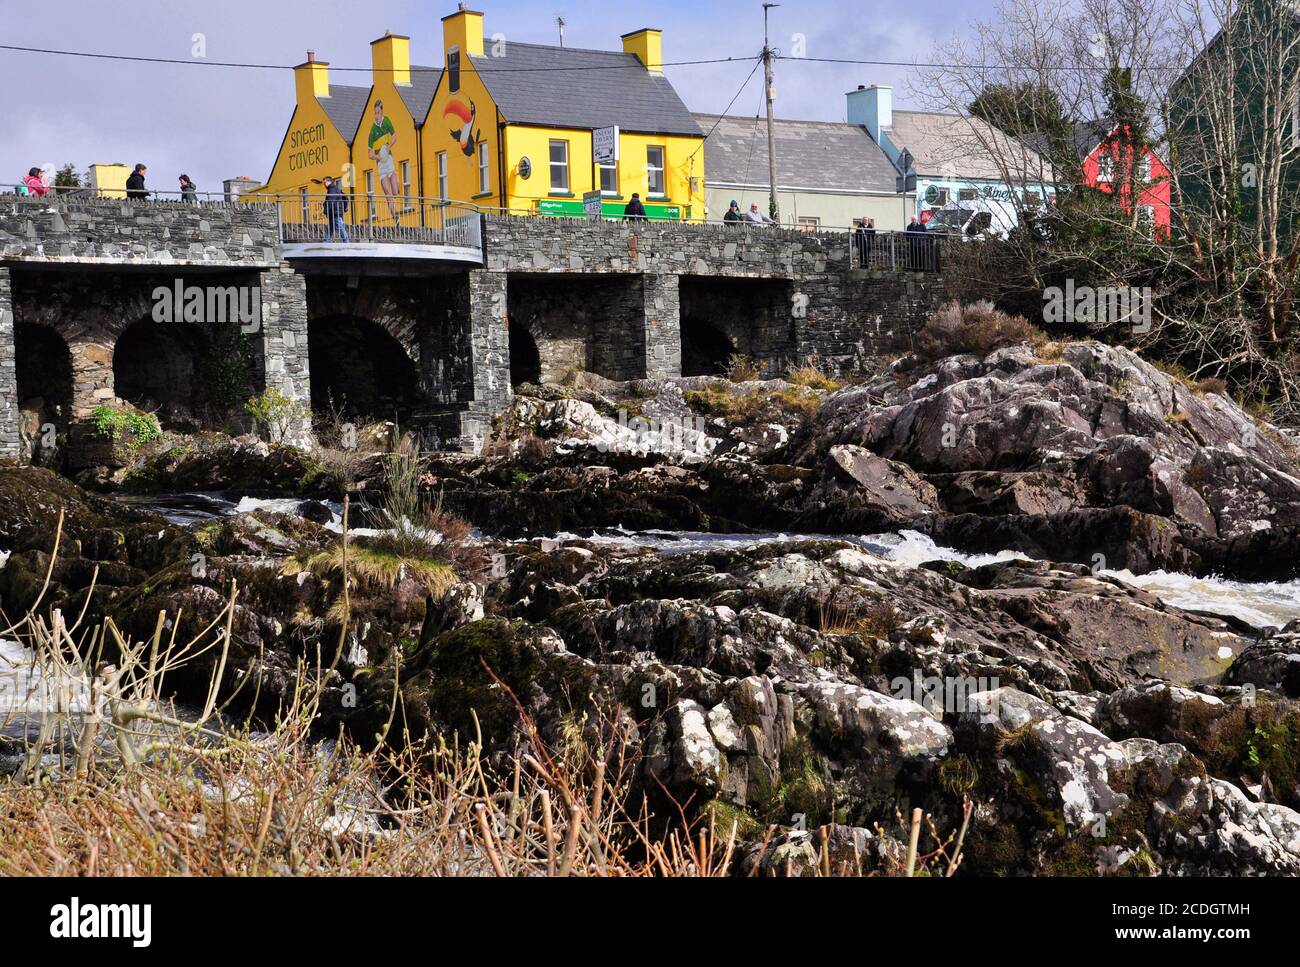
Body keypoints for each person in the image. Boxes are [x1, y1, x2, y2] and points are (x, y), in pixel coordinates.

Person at [367, 100, 399, 221]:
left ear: (382, 112)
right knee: (388, 193)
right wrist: (377, 157)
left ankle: (397, 186)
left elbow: (395, 135)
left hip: (389, 160)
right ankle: (395, 217)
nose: (376, 116)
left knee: (395, 191)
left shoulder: (387, 121)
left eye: (378, 113)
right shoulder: (372, 131)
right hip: (381, 165)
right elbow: (369, 154)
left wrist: (389, 146)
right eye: (375, 113)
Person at [322, 176, 350, 243]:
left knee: (340, 227)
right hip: (335, 212)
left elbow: (331, 201)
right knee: (331, 227)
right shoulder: (336, 189)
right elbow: (345, 198)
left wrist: (325, 210)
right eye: (323, 183)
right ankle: (326, 240)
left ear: (329, 181)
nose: (324, 184)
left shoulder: (332, 189)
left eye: (325, 182)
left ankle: (346, 240)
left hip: (335, 212)